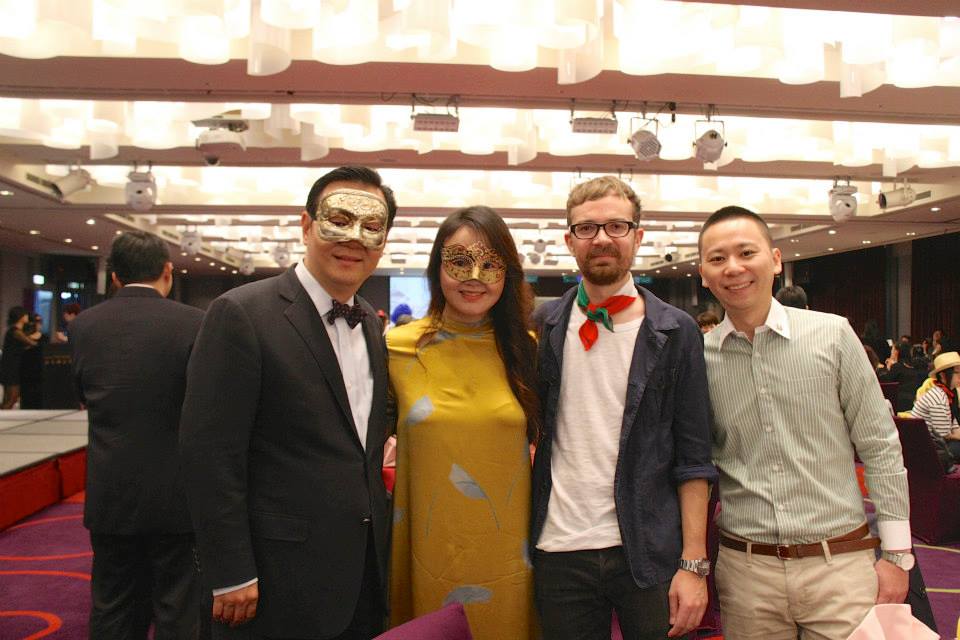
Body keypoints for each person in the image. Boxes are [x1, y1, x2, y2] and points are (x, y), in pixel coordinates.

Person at [179, 166, 396, 640]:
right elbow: (209, 454)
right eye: (339, 220)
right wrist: (230, 569)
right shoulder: (242, 314)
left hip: (361, 571)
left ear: (383, 242)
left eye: (371, 226)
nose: (354, 239)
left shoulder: (371, 324)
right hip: (273, 576)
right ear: (305, 224)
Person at [698, 206, 912, 639]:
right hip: (747, 573)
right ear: (703, 274)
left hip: (841, 566)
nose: (733, 268)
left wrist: (897, 555)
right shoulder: (700, 359)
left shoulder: (833, 335)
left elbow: (879, 444)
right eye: (717, 259)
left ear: (776, 260)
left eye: (746, 253)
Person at [532, 176, 717, 640]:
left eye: (616, 226)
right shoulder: (544, 325)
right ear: (569, 240)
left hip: (649, 546)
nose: (601, 239)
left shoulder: (676, 331)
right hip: (559, 546)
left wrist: (693, 564)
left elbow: (694, 456)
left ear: (638, 236)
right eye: (586, 228)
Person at [387, 206, 539, 639]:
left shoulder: (527, 351)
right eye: (459, 261)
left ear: (507, 274)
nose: (474, 277)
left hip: (507, 548)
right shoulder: (397, 348)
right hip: (426, 545)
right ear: (437, 268)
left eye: (490, 264)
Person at [70, 231, 205, 638]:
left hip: (110, 490)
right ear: (167, 271)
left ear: (114, 277)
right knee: (178, 607)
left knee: (112, 604)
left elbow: (83, 396)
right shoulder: (194, 323)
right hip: (176, 492)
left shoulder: (84, 326)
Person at [910, 351, 960, 467]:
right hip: (926, 447)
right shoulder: (938, 397)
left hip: (937, 443)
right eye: (957, 372)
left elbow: (954, 426)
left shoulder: (948, 394)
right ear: (943, 375)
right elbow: (943, 434)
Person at [0, 306, 40, 409]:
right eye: (25, 314)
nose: (27, 316)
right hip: (11, 367)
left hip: (11, 366)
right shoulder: (15, 331)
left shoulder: (15, 331)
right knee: (12, 397)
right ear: (20, 317)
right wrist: (36, 336)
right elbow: (31, 343)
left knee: (9, 398)